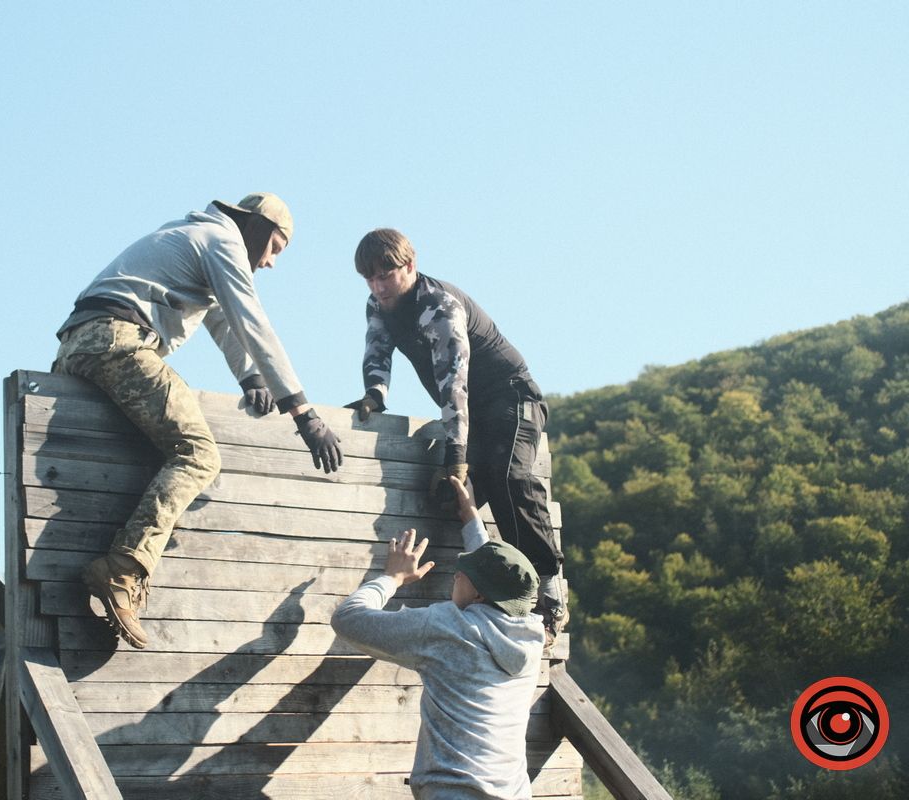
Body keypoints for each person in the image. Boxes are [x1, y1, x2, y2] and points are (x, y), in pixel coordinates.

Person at [53, 193, 343, 649]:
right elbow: (253, 323)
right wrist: (303, 412)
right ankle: (123, 569)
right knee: (198, 455)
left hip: (79, 341)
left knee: (116, 455)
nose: (270, 264)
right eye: (276, 248)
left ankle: (51, 570)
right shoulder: (223, 243)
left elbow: (223, 322)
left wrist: (251, 377)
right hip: (117, 339)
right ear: (257, 228)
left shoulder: (193, 236)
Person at [346, 228, 566, 640]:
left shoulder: (439, 305)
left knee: (507, 476)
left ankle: (549, 586)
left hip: (510, 398)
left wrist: (457, 455)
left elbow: (453, 386)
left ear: (409, 265)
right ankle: (482, 599)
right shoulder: (377, 305)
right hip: (473, 416)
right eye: (369, 278)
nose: (378, 286)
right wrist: (374, 396)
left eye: (386, 274)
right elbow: (377, 350)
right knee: (448, 500)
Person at [331, 476, 545, 800]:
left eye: (463, 574)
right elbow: (499, 579)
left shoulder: (448, 627)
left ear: (477, 595)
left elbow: (348, 620)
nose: (455, 574)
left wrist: (392, 578)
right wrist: (471, 516)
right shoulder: (531, 634)